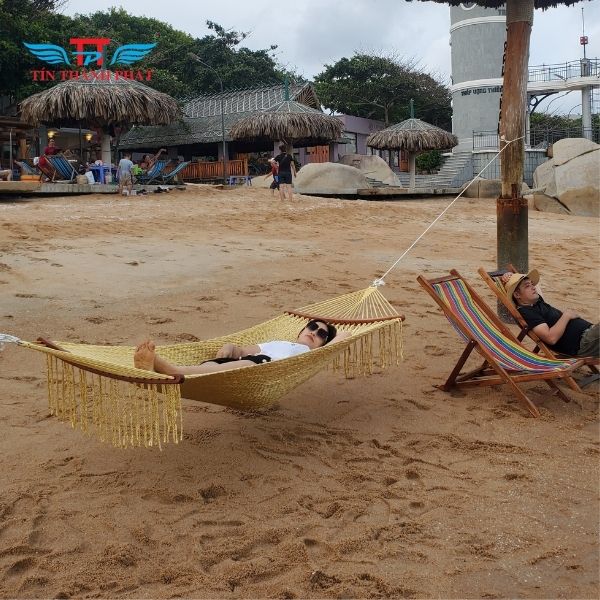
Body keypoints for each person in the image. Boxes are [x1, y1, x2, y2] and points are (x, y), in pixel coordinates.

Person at [134, 319, 351, 375]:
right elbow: (243, 351)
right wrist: (230, 348)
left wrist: (330, 341)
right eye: (312, 327)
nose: (314, 332)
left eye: (322, 334)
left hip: (264, 367)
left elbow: (345, 334)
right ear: (301, 331)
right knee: (212, 366)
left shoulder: (312, 354)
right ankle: (155, 369)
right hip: (242, 362)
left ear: (324, 344)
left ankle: (169, 370)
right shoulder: (277, 343)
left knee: (246, 364)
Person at [502, 269, 599, 357]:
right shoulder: (527, 312)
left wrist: (510, 275)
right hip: (584, 343)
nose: (533, 287)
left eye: (532, 284)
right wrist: (566, 316)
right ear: (517, 295)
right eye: (527, 286)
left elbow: (530, 282)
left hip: (591, 334)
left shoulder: (537, 301)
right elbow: (551, 338)